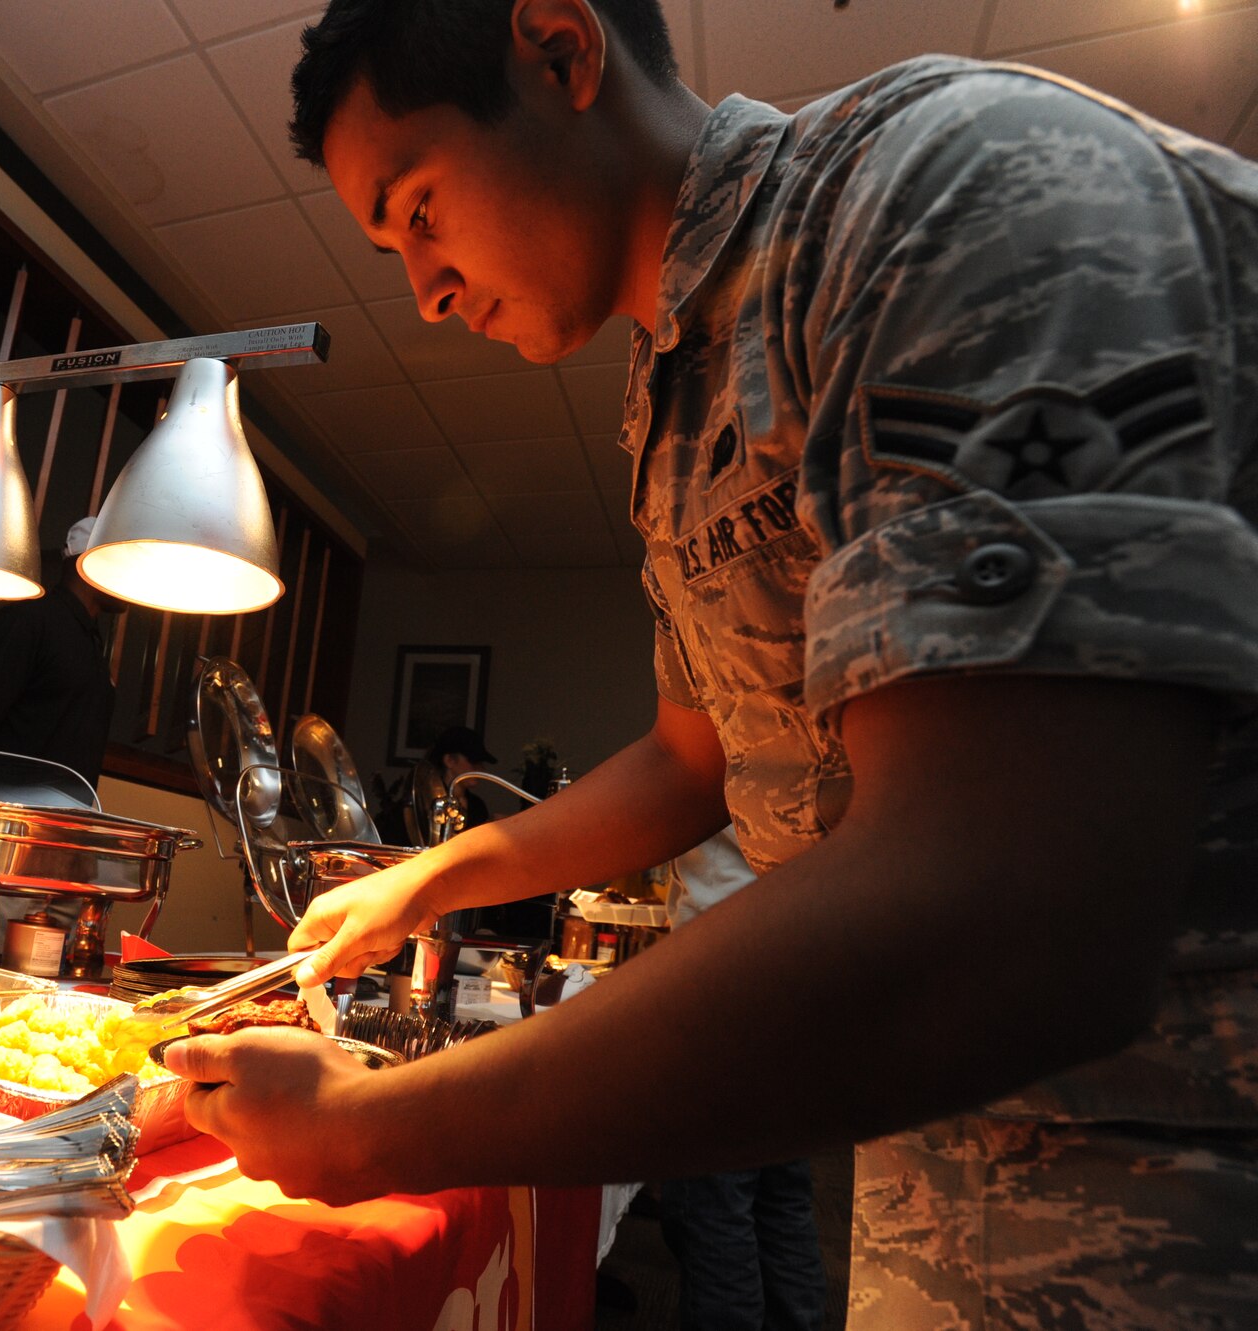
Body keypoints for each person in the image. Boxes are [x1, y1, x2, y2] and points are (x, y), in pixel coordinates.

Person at [162, 1, 1258, 1323]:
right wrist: (431, 880)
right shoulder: (667, 399)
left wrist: (373, 1126)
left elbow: (1012, 897)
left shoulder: (939, 193)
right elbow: (697, 756)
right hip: (953, 1176)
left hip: (1195, 1169)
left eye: (421, 210)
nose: (426, 289)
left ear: (561, 49)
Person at [657, 830, 825, 1331]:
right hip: (806, 963)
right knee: (780, 1201)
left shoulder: (731, 749)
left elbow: (662, 791)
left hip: (724, 971)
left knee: (711, 1208)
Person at [0, 516, 118, 792]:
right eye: (119, 562)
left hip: (63, 823)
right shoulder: (29, 620)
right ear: (83, 561)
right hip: (8, 818)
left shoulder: (91, 642)